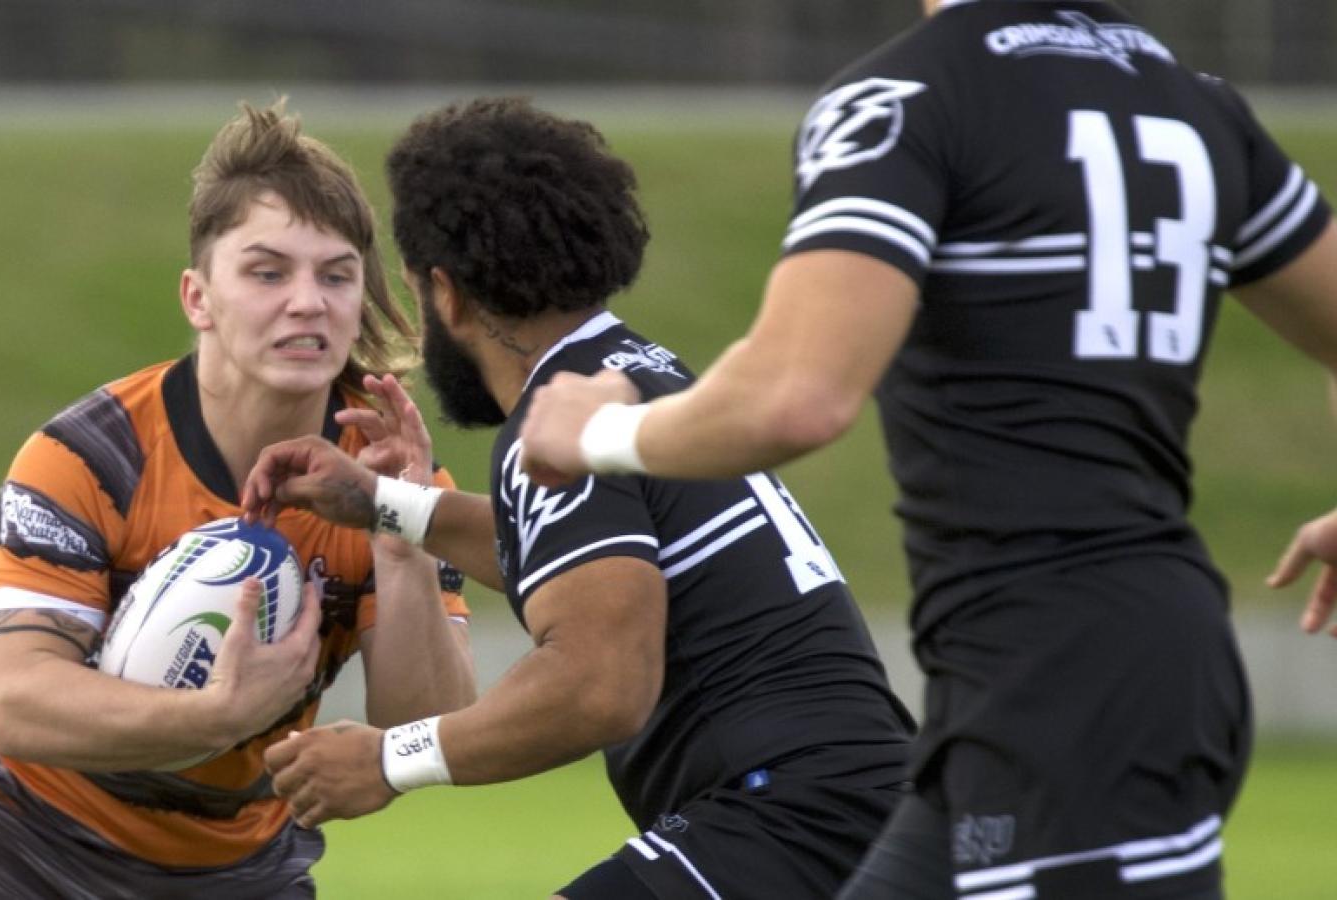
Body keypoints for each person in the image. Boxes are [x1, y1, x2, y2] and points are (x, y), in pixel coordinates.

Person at [515, 2, 1337, 898]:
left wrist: (598, 432)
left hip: (1061, 690)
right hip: (1081, 673)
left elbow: (797, 397)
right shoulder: (1191, 100)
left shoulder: (902, 100)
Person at [242, 97, 916, 900]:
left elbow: (599, 683)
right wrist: (387, 504)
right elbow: (580, 564)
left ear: (447, 293)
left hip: (787, 808)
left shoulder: (553, 424)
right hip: (851, 797)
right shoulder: (632, 374)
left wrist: (391, 759)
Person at [0, 101, 476, 900]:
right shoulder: (89, 459)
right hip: (18, 829)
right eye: (268, 272)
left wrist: (399, 538)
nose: (309, 301)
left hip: (234, 869)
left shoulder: (392, 478)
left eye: (336, 275)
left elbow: (424, 731)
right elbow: (19, 703)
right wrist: (219, 717)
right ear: (198, 298)